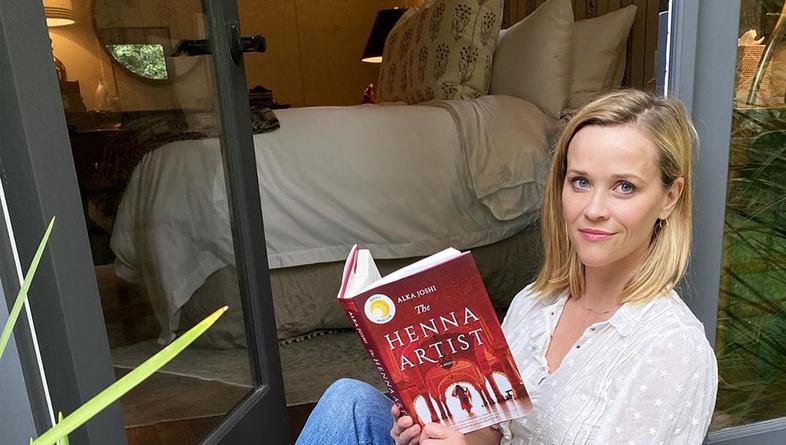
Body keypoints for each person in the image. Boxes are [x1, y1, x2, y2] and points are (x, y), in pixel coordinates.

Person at [295, 89, 718, 445]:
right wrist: (445, 434)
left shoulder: (672, 349)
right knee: (349, 403)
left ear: (669, 197)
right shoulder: (536, 303)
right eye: (580, 181)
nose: (593, 209)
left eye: (624, 187)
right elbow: (497, 432)